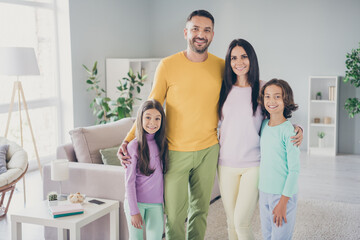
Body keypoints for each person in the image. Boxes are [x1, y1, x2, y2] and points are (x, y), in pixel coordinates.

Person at [118, 9, 224, 239]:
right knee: (174, 216)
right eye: (195, 28)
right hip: (175, 151)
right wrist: (127, 140)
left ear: (213, 35)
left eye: (206, 30)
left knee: (200, 210)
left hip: (209, 149)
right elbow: (150, 107)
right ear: (186, 32)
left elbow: (246, 90)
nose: (200, 34)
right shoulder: (167, 65)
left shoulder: (221, 66)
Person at [218, 39, 303, 240]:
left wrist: (298, 129)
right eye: (234, 58)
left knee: (241, 222)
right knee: (231, 224)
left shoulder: (263, 88)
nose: (239, 62)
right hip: (225, 164)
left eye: (244, 56)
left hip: (253, 165)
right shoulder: (223, 88)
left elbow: (278, 116)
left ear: (252, 59)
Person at [258, 79, 300, 240]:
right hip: (264, 192)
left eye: (277, 96)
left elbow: (294, 170)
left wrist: (283, 202)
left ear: (286, 100)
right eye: (267, 96)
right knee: (267, 235)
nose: (271, 101)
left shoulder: (289, 131)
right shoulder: (263, 125)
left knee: (280, 236)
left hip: (283, 195)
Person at [124, 99, 168, 240]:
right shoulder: (133, 146)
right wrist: (134, 211)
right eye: (148, 117)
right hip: (136, 204)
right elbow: (129, 182)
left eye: (157, 118)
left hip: (156, 204)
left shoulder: (162, 144)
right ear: (140, 118)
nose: (152, 123)